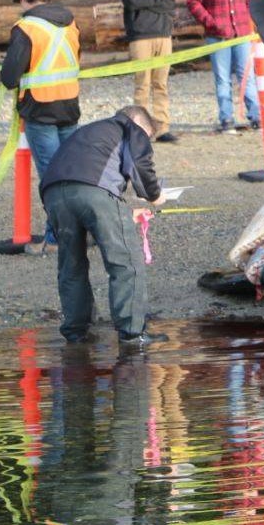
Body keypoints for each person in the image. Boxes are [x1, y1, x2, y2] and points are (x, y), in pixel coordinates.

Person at [39, 105, 166, 346]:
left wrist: (122, 212)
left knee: (71, 265)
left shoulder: (89, 131)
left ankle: (76, 332)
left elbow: (86, 184)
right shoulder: (131, 127)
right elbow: (139, 164)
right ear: (141, 124)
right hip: (94, 192)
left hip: (54, 194)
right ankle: (132, 333)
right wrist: (155, 195)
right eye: (149, 137)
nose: (147, 142)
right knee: (126, 262)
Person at [0, 0, 81, 254]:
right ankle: (79, 232)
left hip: (41, 110)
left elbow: (10, 77)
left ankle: (56, 239)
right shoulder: (70, 21)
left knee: (52, 177)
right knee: (72, 174)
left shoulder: (26, 27)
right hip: (69, 106)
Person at [186, 0, 260, 134]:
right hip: (217, 36)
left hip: (243, 33)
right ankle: (226, 118)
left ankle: (256, 117)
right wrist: (212, 23)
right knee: (223, 79)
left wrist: (252, 22)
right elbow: (193, 2)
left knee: (247, 76)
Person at [116, 0, 179, 143]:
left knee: (161, 83)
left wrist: (148, 0)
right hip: (140, 35)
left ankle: (162, 128)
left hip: (163, 33)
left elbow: (170, 2)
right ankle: (140, 129)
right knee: (142, 83)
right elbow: (132, 2)